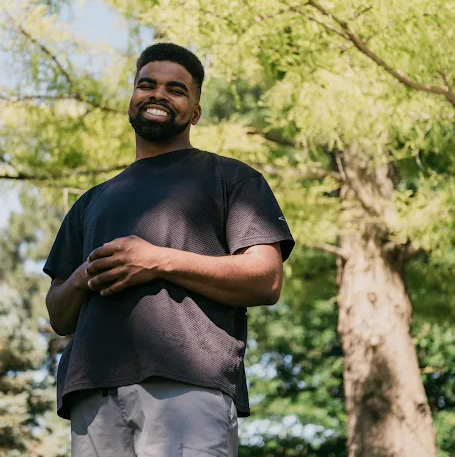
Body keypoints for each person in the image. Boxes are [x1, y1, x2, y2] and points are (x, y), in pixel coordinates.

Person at [44, 43, 295, 457]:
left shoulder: (231, 178)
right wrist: (83, 276)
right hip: (91, 393)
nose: (158, 94)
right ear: (132, 100)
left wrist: (157, 260)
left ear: (195, 111)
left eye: (176, 89)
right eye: (147, 84)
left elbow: (265, 279)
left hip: (188, 383)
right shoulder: (91, 201)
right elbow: (59, 314)